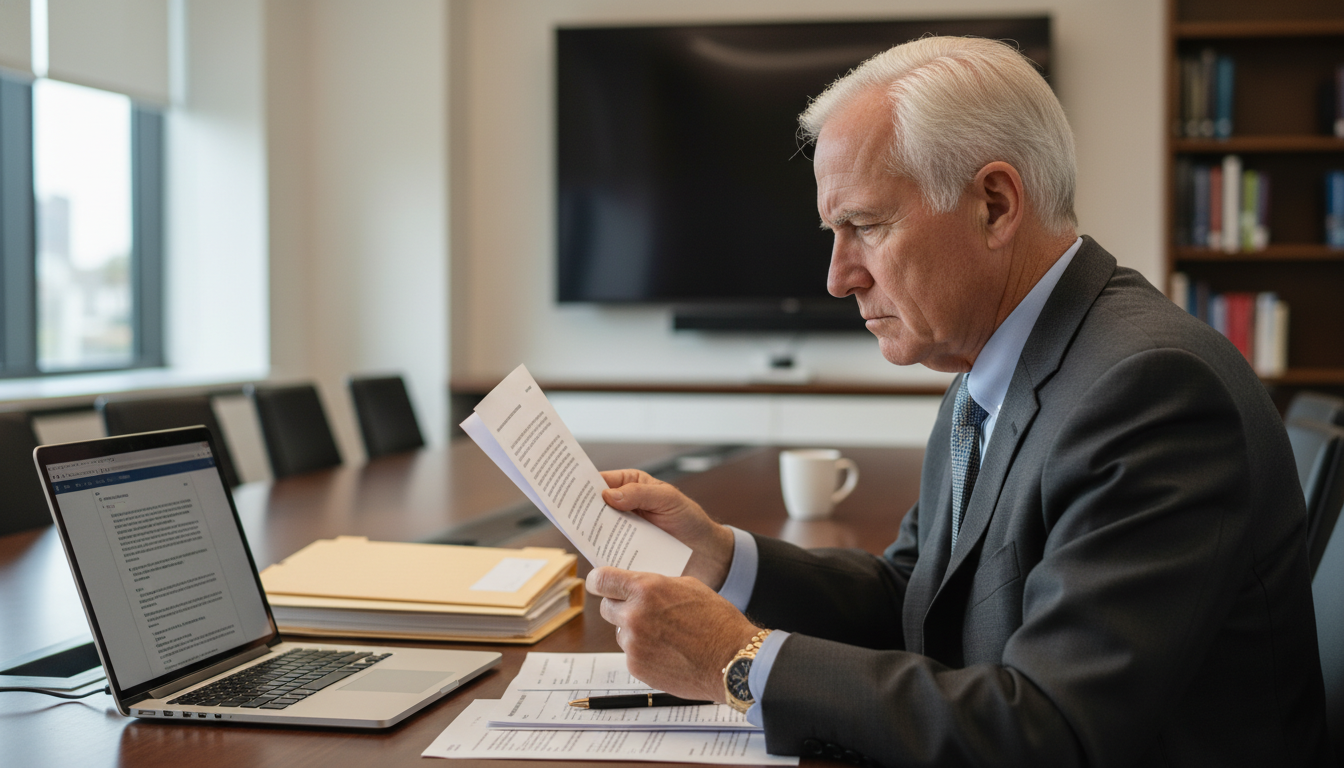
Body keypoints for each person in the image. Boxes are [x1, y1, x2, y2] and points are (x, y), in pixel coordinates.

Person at [584, 36, 1331, 767]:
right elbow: (916, 596)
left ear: (996, 205)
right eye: (833, 233)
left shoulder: (1150, 390)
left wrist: (736, 660)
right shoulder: (996, 363)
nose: (839, 277)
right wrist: (720, 557)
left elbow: (1050, 731)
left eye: (865, 227)